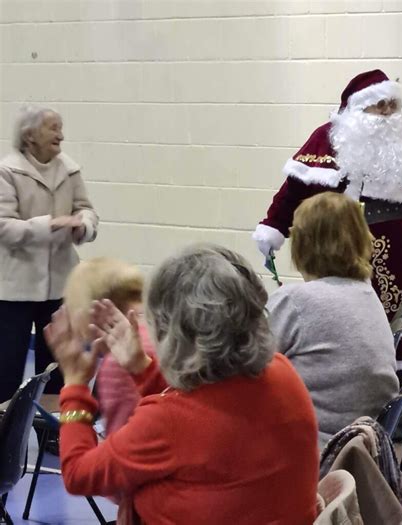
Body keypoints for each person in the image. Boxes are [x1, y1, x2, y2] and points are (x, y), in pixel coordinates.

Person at [45, 244, 319, 525]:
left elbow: (79, 474)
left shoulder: (168, 421)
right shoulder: (282, 372)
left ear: (174, 332)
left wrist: (75, 386)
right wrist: (142, 369)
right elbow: (202, 418)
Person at [253, 69, 402, 391]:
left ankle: (396, 418)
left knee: (399, 332)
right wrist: (273, 226)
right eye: (377, 105)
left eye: (390, 105)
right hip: (335, 254)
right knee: (336, 328)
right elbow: (294, 190)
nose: (385, 112)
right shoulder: (325, 139)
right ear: (355, 110)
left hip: (401, 256)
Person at [267, 192, 399, 447]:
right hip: (365, 449)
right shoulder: (367, 293)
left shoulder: (294, 300)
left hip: (315, 451)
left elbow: (240, 370)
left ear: (304, 243)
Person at [0, 104, 98, 403]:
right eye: (53, 128)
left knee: (57, 367)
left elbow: (86, 209)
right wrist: (50, 225)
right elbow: (3, 226)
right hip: (14, 288)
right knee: (7, 367)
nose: (61, 135)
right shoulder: (7, 171)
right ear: (30, 136)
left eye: (61, 127)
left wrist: (84, 226)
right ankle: (7, 436)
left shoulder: (69, 169)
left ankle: (56, 433)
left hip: (60, 284)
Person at [63, 257, 166, 436]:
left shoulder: (119, 362)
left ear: (92, 310)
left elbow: (121, 443)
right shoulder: (157, 333)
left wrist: (74, 386)